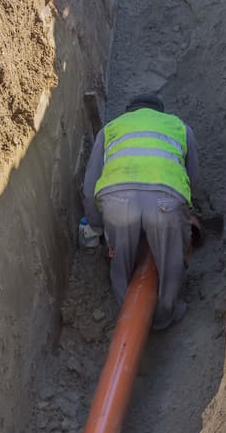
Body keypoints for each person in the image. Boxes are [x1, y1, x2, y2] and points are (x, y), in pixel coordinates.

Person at [82, 93, 200, 330]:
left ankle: (128, 322)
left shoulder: (110, 129)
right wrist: (187, 212)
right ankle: (166, 315)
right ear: (160, 112)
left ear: (129, 112)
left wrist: (95, 226)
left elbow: (89, 185)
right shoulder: (179, 127)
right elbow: (193, 179)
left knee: (120, 264)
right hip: (165, 201)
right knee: (171, 260)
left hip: (117, 203)